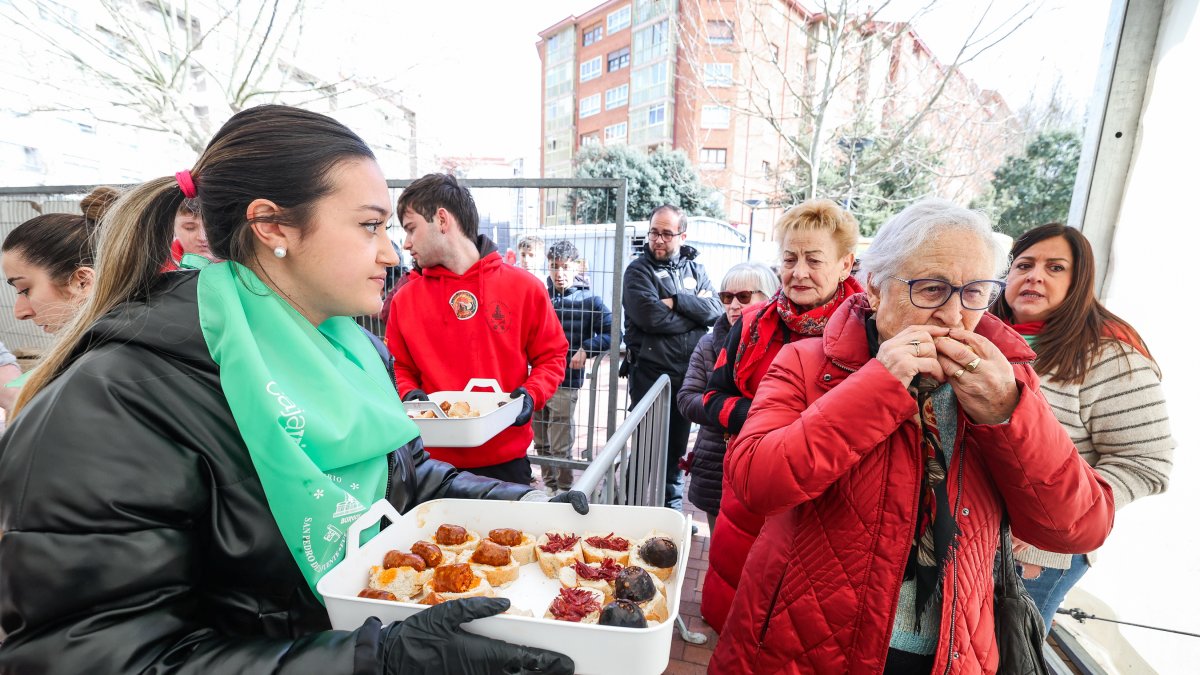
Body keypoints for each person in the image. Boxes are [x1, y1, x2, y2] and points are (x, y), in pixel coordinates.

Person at [0, 105, 581, 674]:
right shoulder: (113, 404)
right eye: (369, 225)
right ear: (273, 225)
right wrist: (369, 660)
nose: (391, 250)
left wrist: (531, 508)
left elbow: (402, 478)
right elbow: (89, 653)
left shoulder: (351, 350)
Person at [709, 199, 1115, 674]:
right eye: (931, 288)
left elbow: (1077, 527)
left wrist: (1009, 414)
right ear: (876, 289)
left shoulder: (1006, 379)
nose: (952, 314)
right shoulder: (807, 362)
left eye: (974, 292)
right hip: (805, 645)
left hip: (952, 653)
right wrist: (878, 388)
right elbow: (757, 481)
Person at [992, 223, 1174, 634]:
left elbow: (1147, 462)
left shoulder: (1108, 354)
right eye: (1024, 265)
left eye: (1055, 268)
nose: (1035, 276)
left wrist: (1056, 515)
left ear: (1079, 283)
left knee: (1009, 657)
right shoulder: (986, 336)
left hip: (1039, 554)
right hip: (973, 538)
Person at [699, 199, 861, 632]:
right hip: (749, 496)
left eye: (814, 259)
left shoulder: (871, 332)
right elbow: (713, 399)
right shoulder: (752, 325)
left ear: (846, 263)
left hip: (828, 506)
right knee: (736, 623)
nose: (799, 272)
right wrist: (770, 423)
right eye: (790, 259)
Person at [386, 174, 568, 485]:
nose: (406, 243)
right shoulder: (405, 299)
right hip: (432, 465)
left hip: (507, 463)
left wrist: (529, 395)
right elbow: (399, 365)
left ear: (442, 220)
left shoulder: (525, 288)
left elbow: (552, 356)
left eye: (411, 228)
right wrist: (411, 395)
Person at [622, 204, 722, 511]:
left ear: (682, 235)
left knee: (678, 451)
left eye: (667, 233)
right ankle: (627, 511)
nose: (658, 240)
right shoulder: (638, 271)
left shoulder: (696, 269)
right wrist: (693, 314)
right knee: (645, 451)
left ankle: (671, 512)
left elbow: (716, 310)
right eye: (654, 232)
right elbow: (651, 318)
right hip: (650, 379)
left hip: (687, 378)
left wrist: (676, 300)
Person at [676, 262, 777, 533]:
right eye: (726, 297)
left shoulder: (784, 343)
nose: (733, 305)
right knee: (721, 555)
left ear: (769, 296)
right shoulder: (709, 343)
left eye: (743, 296)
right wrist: (736, 411)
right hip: (716, 466)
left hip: (766, 468)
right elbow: (687, 398)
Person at [534, 240, 614, 494]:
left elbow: (614, 331)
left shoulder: (590, 300)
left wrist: (587, 348)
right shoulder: (538, 294)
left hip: (565, 382)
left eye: (564, 267)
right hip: (534, 379)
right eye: (553, 267)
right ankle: (548, 487)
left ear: (576, 266)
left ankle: (564, 489)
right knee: (540, 442)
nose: (559, 273)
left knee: (559, 443)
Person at [162, 199, 218, 270]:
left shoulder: (235, 264)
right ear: (172, 228)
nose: (203, 237)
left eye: (212, 226)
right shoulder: (157, 268)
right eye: (189, 228)